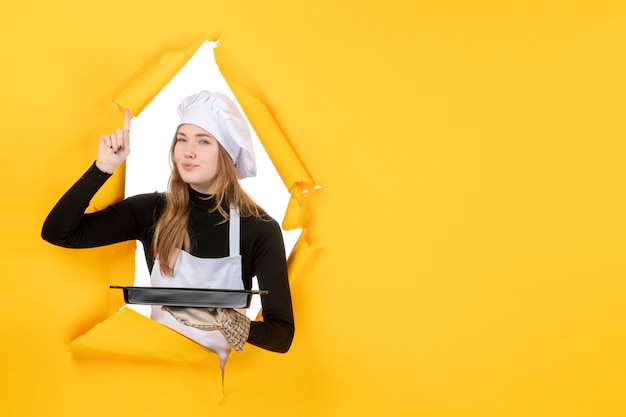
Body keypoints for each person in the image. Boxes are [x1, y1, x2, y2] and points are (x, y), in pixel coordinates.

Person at [42, 91, 295, 368]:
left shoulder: (259, 229)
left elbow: (281, 336)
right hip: (157, 380)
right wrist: (102, 168)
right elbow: (59, 232)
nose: (188, 151)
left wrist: (226, 321)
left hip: (218, 391)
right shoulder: (152, 211)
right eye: (182, 139)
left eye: (203, 141)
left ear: (226, 154)